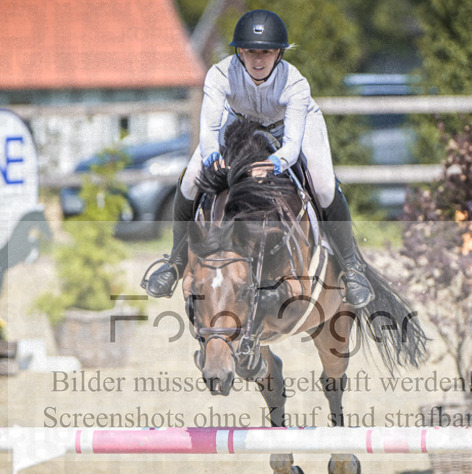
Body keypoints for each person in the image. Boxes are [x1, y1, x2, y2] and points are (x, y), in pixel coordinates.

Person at [142, 8, 374, 308]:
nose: (258, 60)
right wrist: (214, 156)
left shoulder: (296, 84)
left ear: (279, 53)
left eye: (266, 52)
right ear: (240, 51)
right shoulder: (220, 74)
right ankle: (174, 261)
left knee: (325, 186)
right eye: (251, 52)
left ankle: (352, 267)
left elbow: (291, 147)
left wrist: (275, 163)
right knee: (189, 181)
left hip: (290, 129)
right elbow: (209, 129)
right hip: (238, 125)